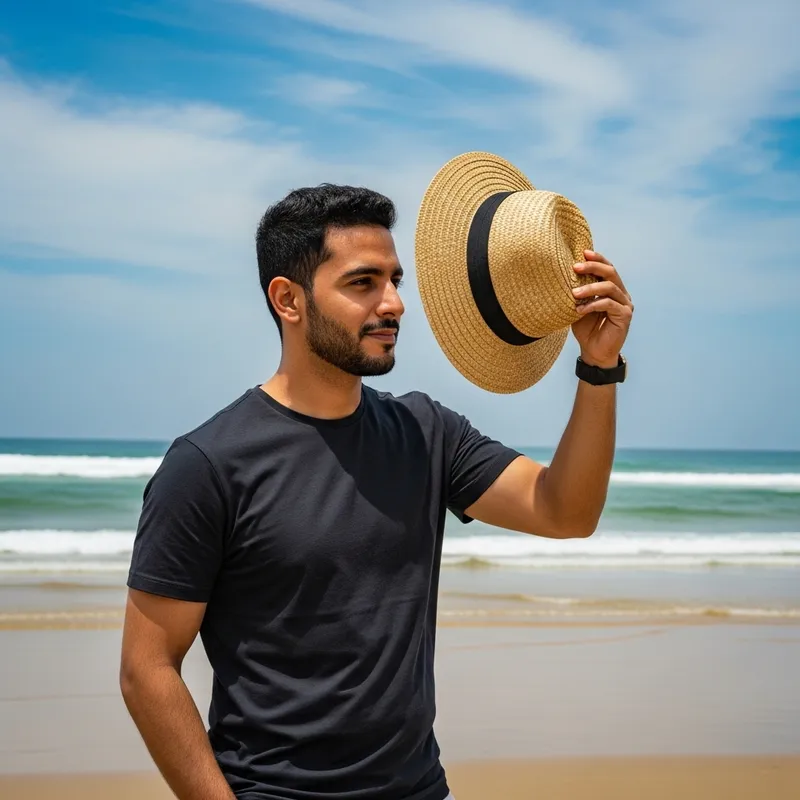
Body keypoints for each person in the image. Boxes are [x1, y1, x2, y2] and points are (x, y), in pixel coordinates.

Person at [120, 183, 634, 800]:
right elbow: (146, 669)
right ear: (288, 299)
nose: (393, 303)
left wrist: (599, 368)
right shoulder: (208, 464)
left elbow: (566, 511)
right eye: (363, 283)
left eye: (395, 280)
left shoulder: (425, 433)